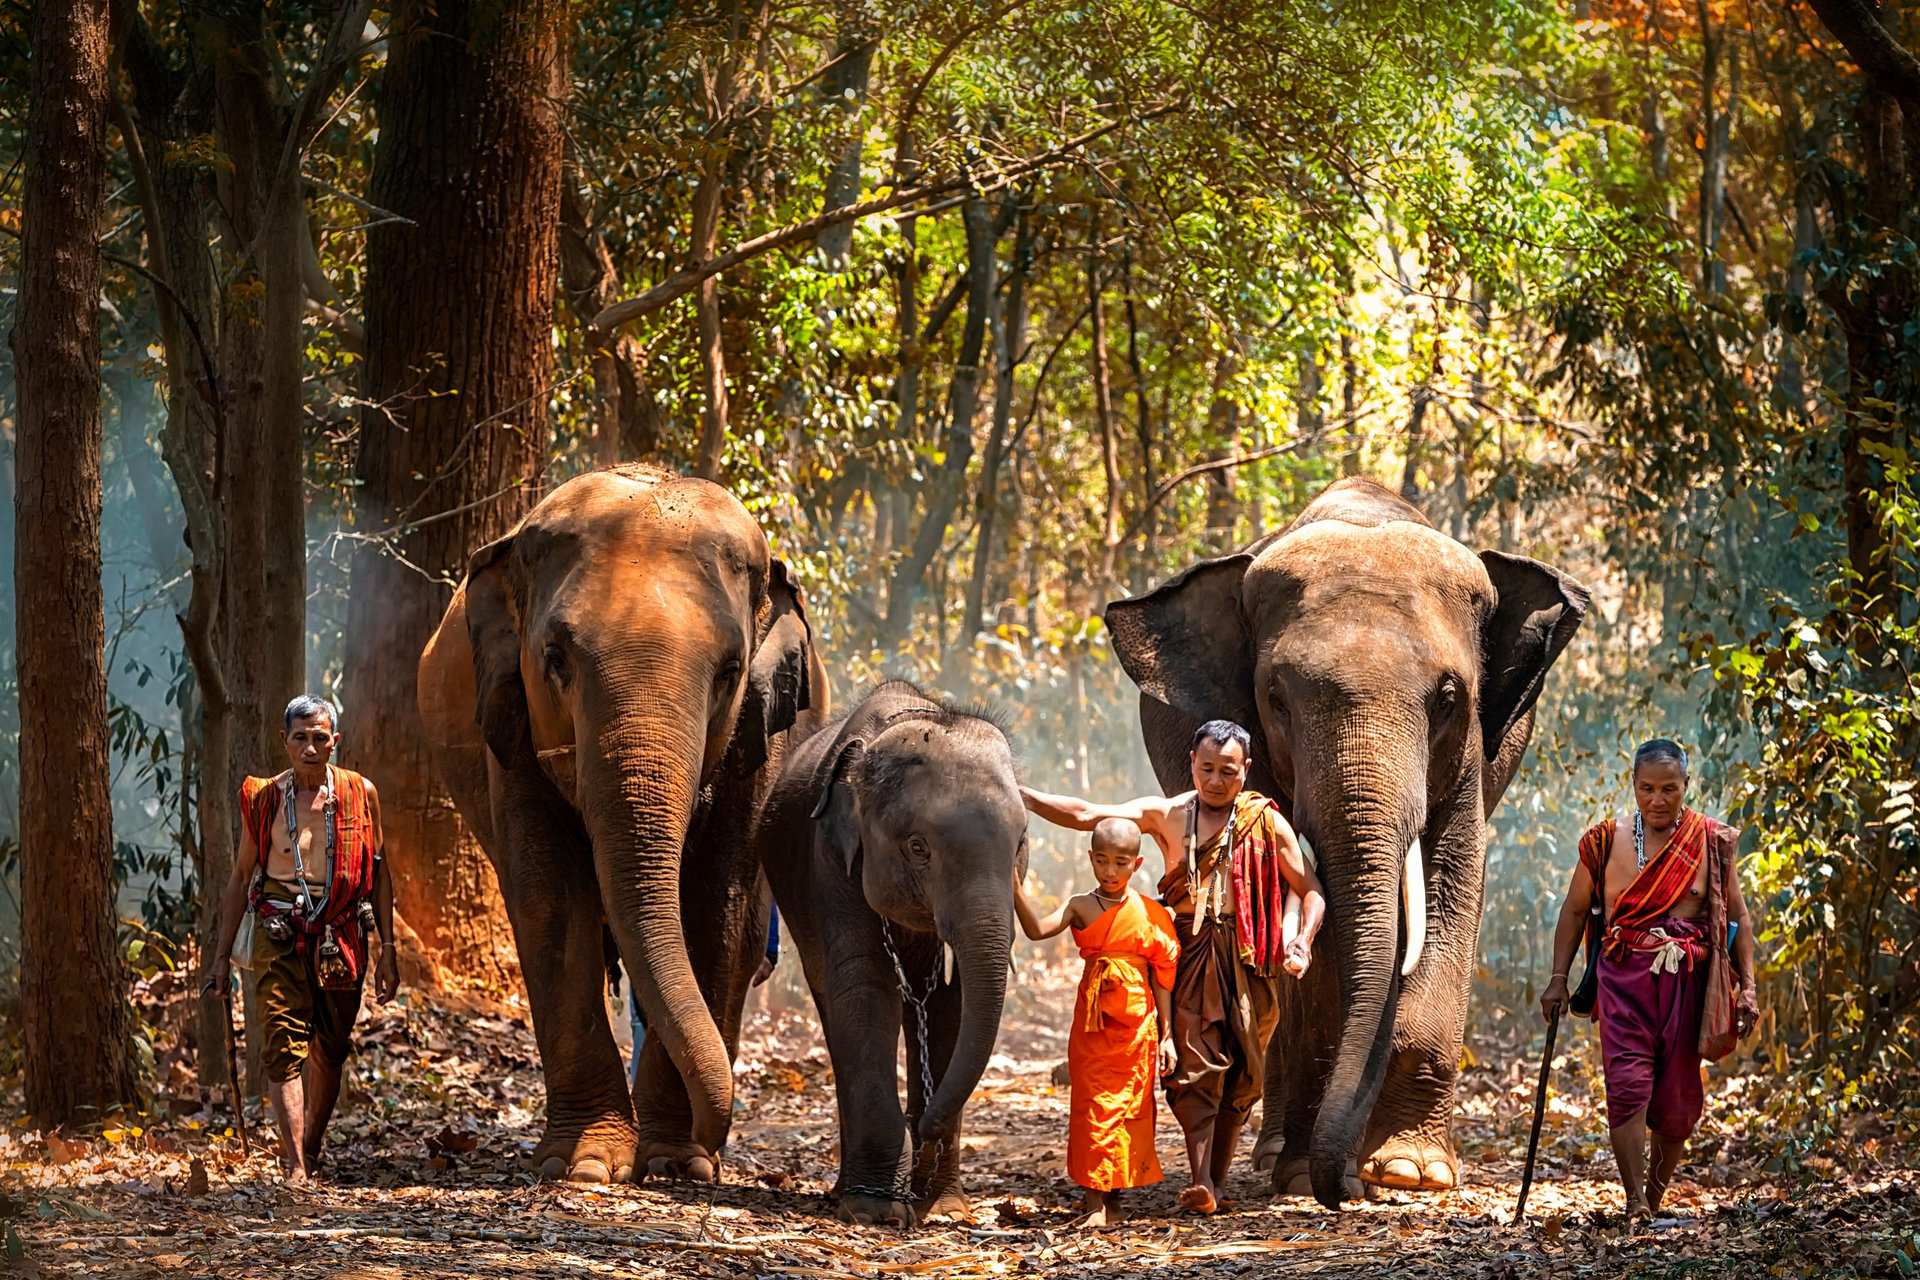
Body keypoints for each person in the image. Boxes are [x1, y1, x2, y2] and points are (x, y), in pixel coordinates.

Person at [1022, 720, 1327, 1214]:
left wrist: (1303, 941)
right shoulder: (1166, 815)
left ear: (1245, 772)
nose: (1215, 781)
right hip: (1185, 955)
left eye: (1227, 771)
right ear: (1191, 764)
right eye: (1206, 769)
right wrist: (1025, 798)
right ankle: (1204, 1181)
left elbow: (1310, 888)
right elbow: (1085, 813)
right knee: (1193, 1069)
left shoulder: (1266, 822)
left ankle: (1217, 1180)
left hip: (1249, 957)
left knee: (1244, 1073)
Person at [1540, 739, 1758, 1220]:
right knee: (1627, 1086)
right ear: (1633, 787)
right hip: (1623, 981)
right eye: (1647, 789)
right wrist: (1559, 978)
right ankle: (1635, 1199)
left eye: (1668, 789)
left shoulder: (1709, 841)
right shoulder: (1604, 841)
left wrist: (1750, 988)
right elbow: (1575, 909)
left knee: (1677, 1100)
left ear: (1686, 786)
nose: (1657, 800)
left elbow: (1737, 915)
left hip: (1688, 983)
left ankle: (1654, 1200)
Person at [203, 695, 398, 1182]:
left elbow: (379, 873)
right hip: (279, 933)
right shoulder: (265, 798)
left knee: (331, 1049)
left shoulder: (360, 794)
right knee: (282, 1044)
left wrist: (390, 951)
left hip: (344, 934)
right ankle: (295, 1167)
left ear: (336, 741)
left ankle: (310, 1147)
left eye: (320, 738)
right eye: (300, 738)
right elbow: (240, 876)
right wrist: (220, 958)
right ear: (284, 742)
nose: (310, 748)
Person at [1012, 818, 1180, 1227]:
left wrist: (1168, 1036)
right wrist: (1013, 885)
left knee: (1129, 1110)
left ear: (1136, 864)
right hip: (1093, 1025)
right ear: (1090, 858)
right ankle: (1093, 1204)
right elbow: (1036, 931)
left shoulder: (1151, 912)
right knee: (1092, 1108)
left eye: (1120, 862)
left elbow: (1162, 977)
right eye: (1101, 860)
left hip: (1138, 1027)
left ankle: (1116, 1199)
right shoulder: (1079, 906)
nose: (1110, 871)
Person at [624, 906, 781, 1089]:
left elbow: (761, 882)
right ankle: (645, 1097)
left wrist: (769, 947)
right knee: (646, 1023)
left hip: (712, 939)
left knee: (710, 1023)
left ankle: (711, 1094)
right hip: (653, 943)